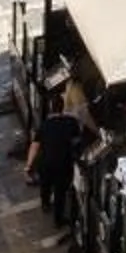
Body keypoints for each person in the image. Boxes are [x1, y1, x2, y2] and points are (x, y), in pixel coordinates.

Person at [27, 95, 87, 229]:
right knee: (60, 192)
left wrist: (29, 165)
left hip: (46, 163)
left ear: (50, 108)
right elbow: (77, 142)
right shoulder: (71, 122)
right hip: (63, 163)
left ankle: (45, 204)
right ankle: (58, 220)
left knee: (45, 184)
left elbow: (34, 146)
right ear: (63, 107)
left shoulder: (44, 125)